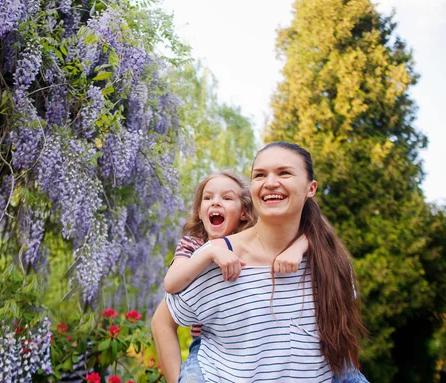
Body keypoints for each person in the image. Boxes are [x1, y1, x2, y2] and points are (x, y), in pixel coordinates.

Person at [165, 142, 368, 382]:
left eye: (284, 173)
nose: (270, 183)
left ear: (311, 188)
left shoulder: (329, 259)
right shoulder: (218, 257)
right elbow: (166, 317)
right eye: (260, 175)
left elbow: (342, 345)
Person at [151, 170, 309, 383]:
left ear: (244, 212)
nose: (216, 203)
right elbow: (171, 283)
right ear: (199, 211)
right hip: (209, 344)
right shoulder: (193, 244)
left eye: (226, 198)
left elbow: (310, 232)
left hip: (254, 346)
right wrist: (210, 252)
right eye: (208, 198)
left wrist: (298, 248)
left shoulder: (254, 244)